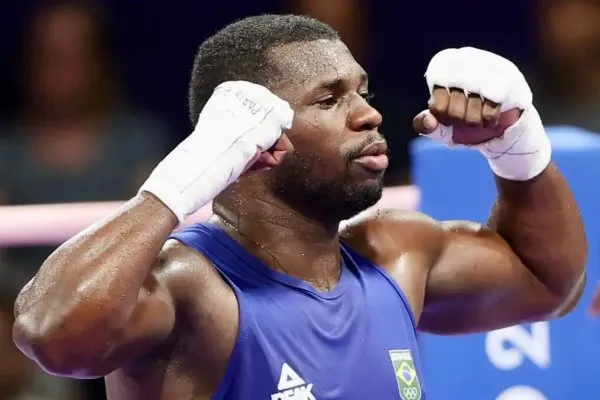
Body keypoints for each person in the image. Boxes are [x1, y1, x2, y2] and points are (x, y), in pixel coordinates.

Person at [12, 14, 587, 400]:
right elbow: (51, 336)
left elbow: (547, 281)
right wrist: (180, 181)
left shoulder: (396, 254)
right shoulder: (191, 286)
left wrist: (516, 149)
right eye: (330, 99)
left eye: (362, 90)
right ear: (254, 138)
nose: (367, 114)